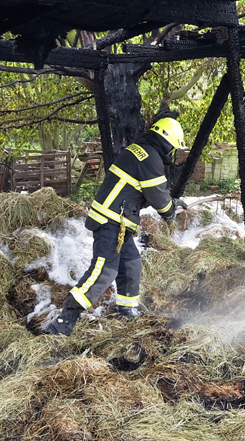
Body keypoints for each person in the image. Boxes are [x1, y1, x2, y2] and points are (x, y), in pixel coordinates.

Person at [46, 117, 188, 336]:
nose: (171, 153)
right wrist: (171, 210)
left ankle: (126, 309)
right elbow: (158, 197)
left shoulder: (141, 151)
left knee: (131, 264)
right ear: (167, 143)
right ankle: (64, 321)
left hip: (117, 220)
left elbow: (146, 190)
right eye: (172, 148)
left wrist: (170, 203)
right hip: (111, 221)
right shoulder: (150, 158)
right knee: (104, 270)